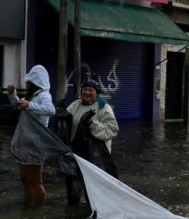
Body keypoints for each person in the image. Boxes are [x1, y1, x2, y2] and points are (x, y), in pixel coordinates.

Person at [63, 79, 119, 205]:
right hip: (76, 154)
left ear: (97, 93)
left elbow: (112, 130)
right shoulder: (75, 104)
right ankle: (75, 218)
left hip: (95, 158)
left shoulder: (103, 107)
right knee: (73, 191)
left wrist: (93, 124)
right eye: (85, 89)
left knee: (94, 193)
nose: (87, 92)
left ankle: (93, 215)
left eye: (91, 90)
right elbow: (67, 122)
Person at [7, 65, 56, 204]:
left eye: (30, 82)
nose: (28, 84)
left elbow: (51, 110)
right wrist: (12, 94)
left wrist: (29, 105)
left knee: (36, 180)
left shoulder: (44, 95)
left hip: (36, 144)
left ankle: (39, 211)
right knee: (24, 179)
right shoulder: (31, 96)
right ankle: (28, 207)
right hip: (23, 142)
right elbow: (18, 105)